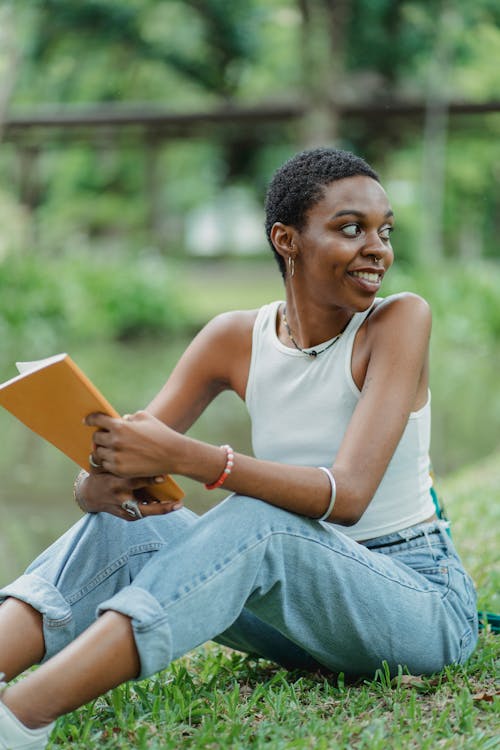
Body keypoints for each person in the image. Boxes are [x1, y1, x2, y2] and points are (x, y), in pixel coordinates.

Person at [0, 147, 478, 749]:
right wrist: (97, 484)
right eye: (351, 228)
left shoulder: (398, 322)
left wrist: (185, 457)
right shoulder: (233, 337)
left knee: (262, 521)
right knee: (125, 527)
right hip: (295, 617)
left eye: (385, 231)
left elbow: (347, 496)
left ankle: (20, 719)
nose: (377, 247)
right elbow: (127, 459)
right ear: (287, 239)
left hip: (417, 602)